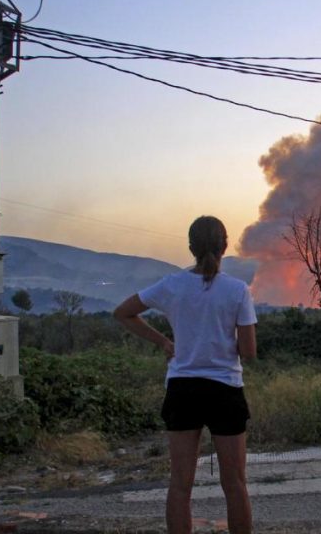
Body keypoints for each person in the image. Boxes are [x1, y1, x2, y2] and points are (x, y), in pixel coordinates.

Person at [114, 215, 257, 534]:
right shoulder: (237, 290)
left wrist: (164, 341)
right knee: (235, 484)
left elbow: (123, 312)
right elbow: (248, 352)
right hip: (225, 391)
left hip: (182, 390)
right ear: (225, 246)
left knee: (180, 484)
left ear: (191, 247)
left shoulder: (171, 285)